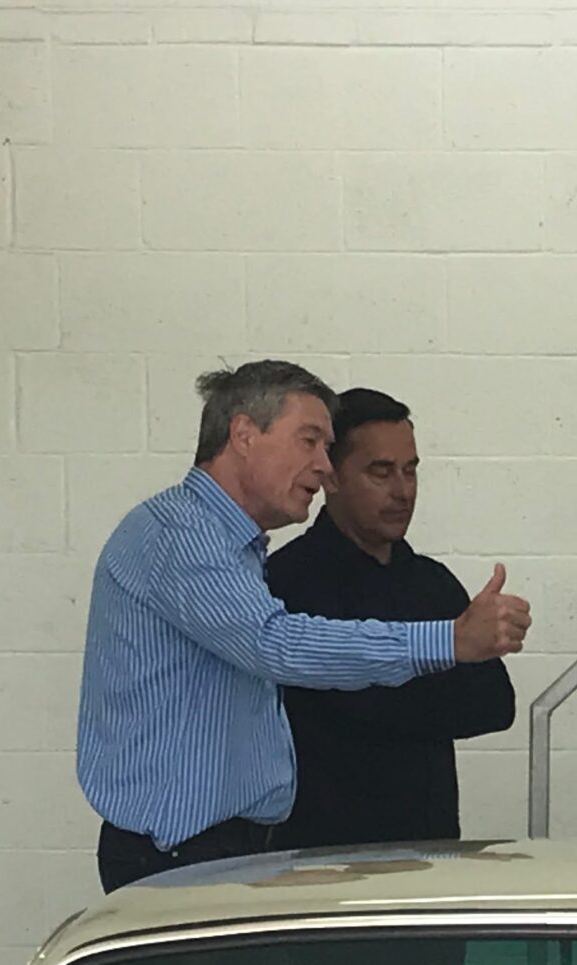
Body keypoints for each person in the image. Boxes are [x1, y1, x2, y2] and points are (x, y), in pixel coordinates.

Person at [75, 361, 530, 892]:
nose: (322, 465)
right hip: (182, 855)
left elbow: (491, 704)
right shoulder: (183, 535)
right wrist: (448, 640)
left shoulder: (234, 548)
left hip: (228, 848)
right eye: (309, 441)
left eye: (327, 447)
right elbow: (276, 644)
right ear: (244, 434)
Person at [263, 388, 513, 848]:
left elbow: (495, 705)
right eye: (381, 472)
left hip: (432, 852)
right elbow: (349, 708)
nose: (402, 491)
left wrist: (381, 690)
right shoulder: (288, 581)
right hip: (320, 860)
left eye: (410, 470)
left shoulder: (432, 582)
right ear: (331, 476)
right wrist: (440, 664)